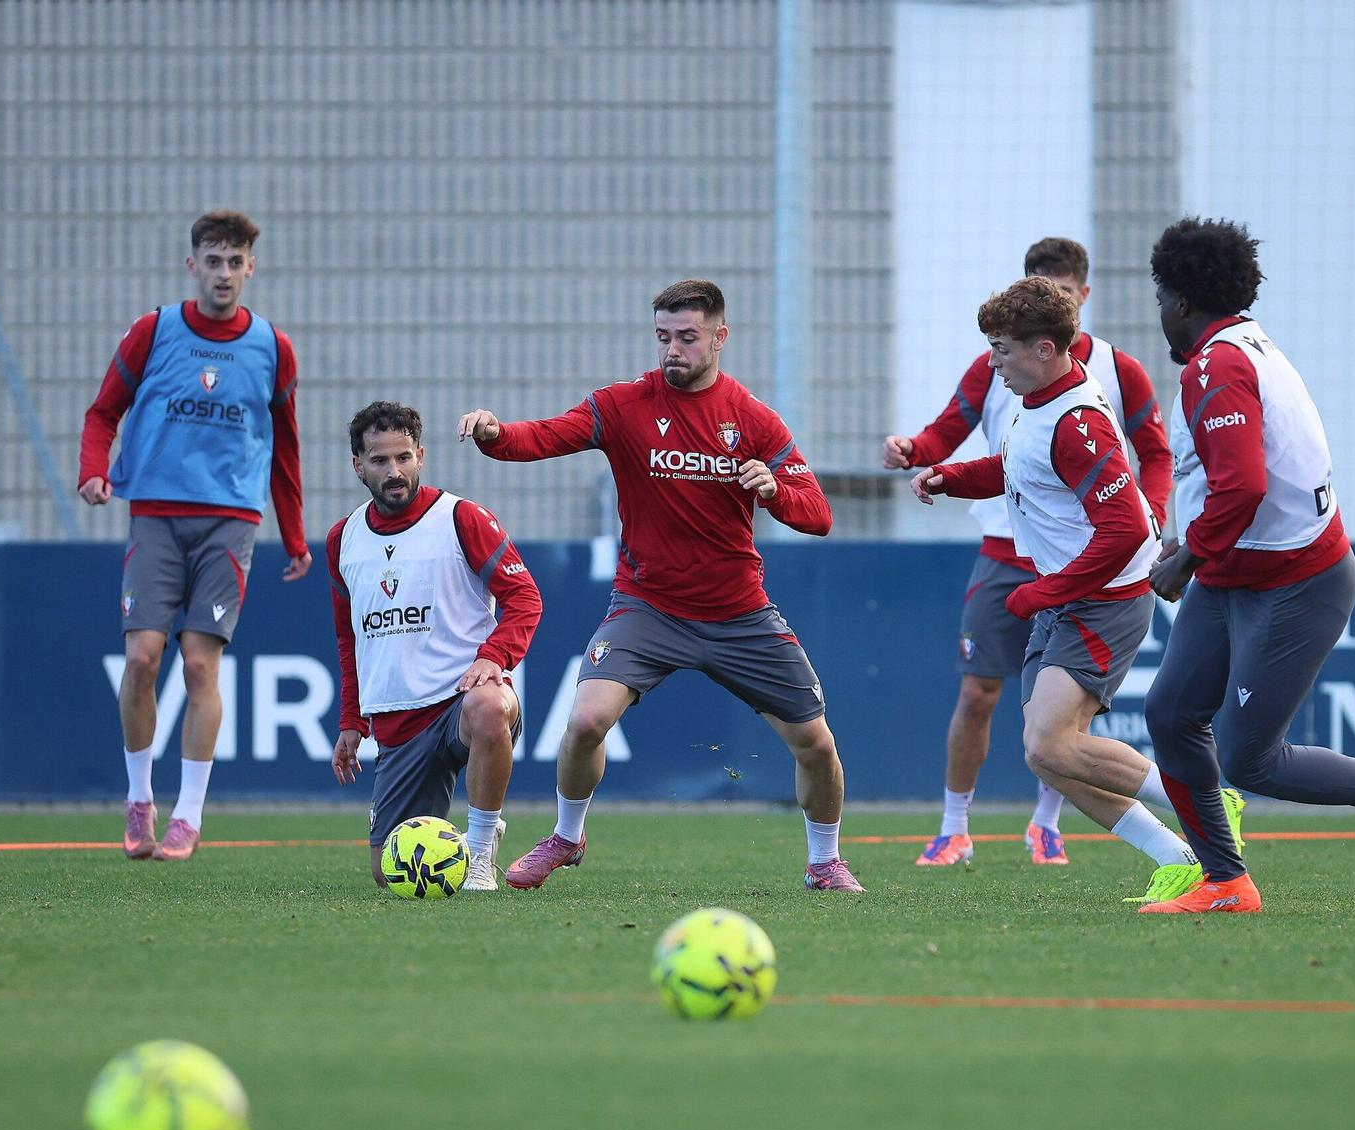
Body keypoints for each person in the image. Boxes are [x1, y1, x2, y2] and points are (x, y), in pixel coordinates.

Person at [459, 279, 857, 892]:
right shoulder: (623, 406)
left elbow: (819, 515)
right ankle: (566, 837)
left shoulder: (752, 419)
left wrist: (775, 491)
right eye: (663, 337)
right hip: (648, 608)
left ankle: (825, 861)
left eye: (687, 338)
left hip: (739, 614)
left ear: (720, 337)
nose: (673, 349)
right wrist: (494, 434)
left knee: (816, 744)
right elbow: (542, 436)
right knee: (586, 722)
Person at [1138, 217, 1355, 913]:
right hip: (1240, 572)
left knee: (1248, 756)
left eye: (1160, 299)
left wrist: (1188, 559)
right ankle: (1225, 881)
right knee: (1172, 713)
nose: (1161, 314)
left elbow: (1243, 485)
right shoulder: (1245, 347)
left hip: (1295, 582)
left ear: (1180, 302)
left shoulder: (1219, 364)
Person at [912, 277, 1214, 903]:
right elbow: (1015, 466)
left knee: (1049, 744)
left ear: (1045, 348)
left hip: (1105, 602)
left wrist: (1047, 592)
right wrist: (952, 477)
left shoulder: (1077, 420)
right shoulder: (1037, 399)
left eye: (1001, 350)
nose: (992, 363)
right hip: (1073, 597)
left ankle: (1209, 798)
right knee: (1047, 754)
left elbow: (1128, 529)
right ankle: (1177, 855)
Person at [79, 210, 311, 862]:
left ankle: (188, 814)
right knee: (144, 656)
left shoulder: (272, 346)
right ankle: (139, 798)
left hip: (231, 522)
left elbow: (286, 450)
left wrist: (295, 535)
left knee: (201, 663)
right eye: (213, 260)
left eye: (235, 262)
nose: (224, 273)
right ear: (193, 265)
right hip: (155, 514)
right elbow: (103, 412)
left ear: (250, 268)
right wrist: (93, 471)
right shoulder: (154, 332)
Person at [328, 402, 542, 892]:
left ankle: (482, 849)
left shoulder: (461, 517)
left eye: (404, 457)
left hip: (461, 702)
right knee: (391, 875)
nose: (394, 470)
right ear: (358, 465)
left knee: (491, 705)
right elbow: (349, 637)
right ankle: (463, 843)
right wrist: (351, 721)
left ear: (420, 455)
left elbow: (525, 597)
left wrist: (494, 658)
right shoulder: (343, 538)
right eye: (379, 461)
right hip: (399, 723)